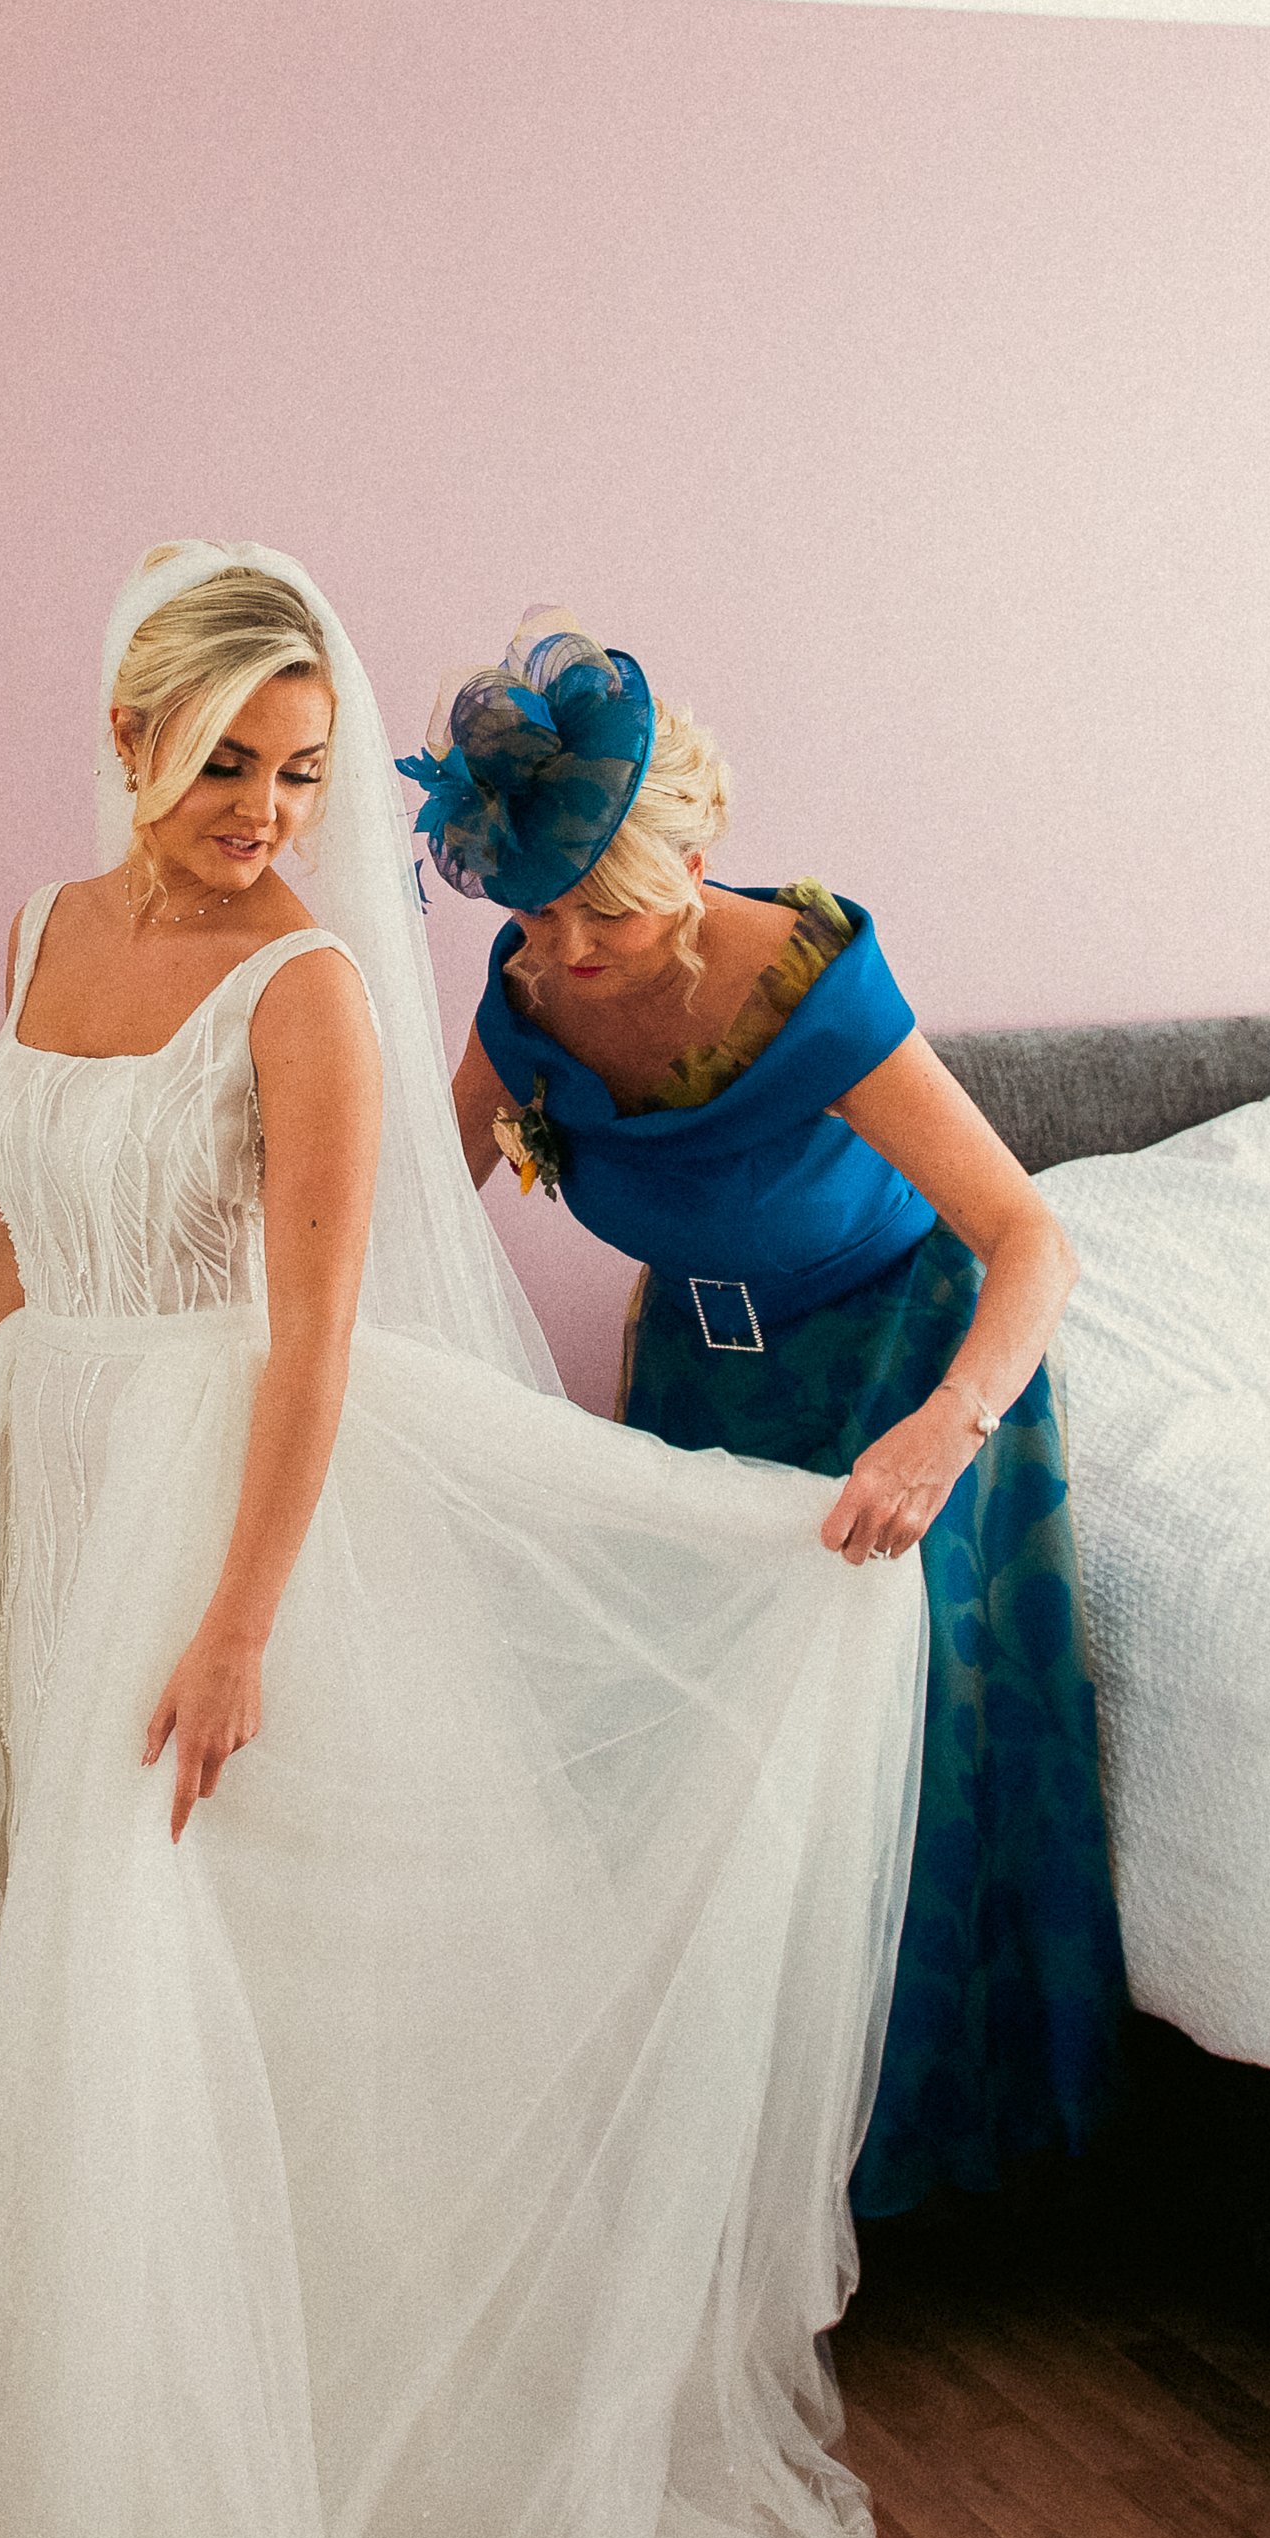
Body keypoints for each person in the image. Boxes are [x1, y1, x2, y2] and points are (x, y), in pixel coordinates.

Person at [0, 545, 926, 2538]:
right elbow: (20, 1222)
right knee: (9, 1952)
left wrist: (235, 1621)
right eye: (228, 759)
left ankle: (180, 2530)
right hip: (35, 1477)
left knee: (147, 1976)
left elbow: (317, 1335)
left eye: (305, 769)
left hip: (212, 1514)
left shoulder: (309, 988)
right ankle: (12, 2468)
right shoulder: (37, 934)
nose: (265, 809)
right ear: (127, 733)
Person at [422, 616, 1127, 2217]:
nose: (564, 953)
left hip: (904, 1366)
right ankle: (717, 2164)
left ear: (689, 862)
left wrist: (949, 1424)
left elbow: (1033, 1237)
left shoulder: (812, 987)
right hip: (701, 1374)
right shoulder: (530, 992)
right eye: (534, 913)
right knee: (695, 1742)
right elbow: (411, 1205)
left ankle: (895, 2178)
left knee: (883, 1760)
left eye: (602, 913)